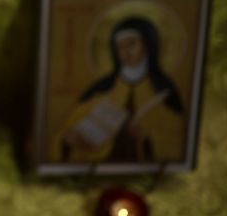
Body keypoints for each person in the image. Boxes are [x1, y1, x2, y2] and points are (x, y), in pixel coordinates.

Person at [54, 16, 185, 164]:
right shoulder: (101, 89)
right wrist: (69, 139)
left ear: (148, 44)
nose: (125, 52)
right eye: (120, 47)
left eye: (131, 44)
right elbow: (64, 134)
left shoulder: (164, 91)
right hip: (100, 166)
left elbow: (179, 140)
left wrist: (147, 138)